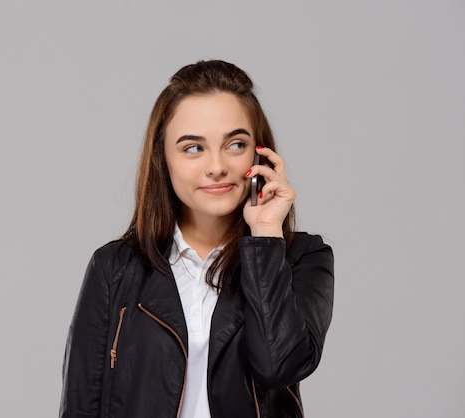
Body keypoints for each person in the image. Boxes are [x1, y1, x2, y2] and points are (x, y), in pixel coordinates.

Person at [59, 60, 334, 418]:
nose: (216, 166)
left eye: (235, 144)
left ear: (259, 154)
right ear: (164, 158)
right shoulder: (115, 269)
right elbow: (82, 406)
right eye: (193, 148)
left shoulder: (300, 257)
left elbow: (277, 366)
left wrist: (266, 234)